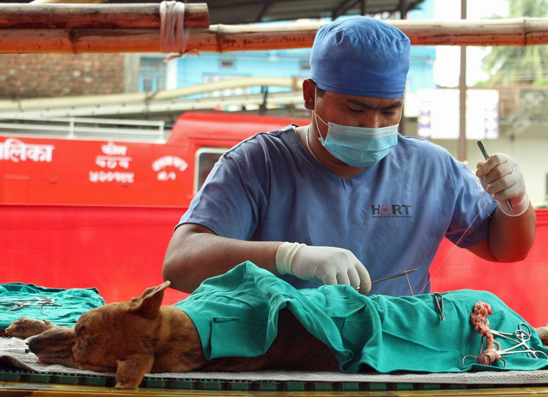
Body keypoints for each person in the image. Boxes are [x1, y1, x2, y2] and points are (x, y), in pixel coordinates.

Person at [163, 17, 536, 296]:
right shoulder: (258, 164)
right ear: (311, 96)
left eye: (389, 111)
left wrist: (515, 203)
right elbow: (180, 264)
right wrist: (289, 257)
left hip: (396, 360)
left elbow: (504, 249)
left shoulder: (429, 169)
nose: (373, 125)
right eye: (355, 108)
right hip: (281, 361)